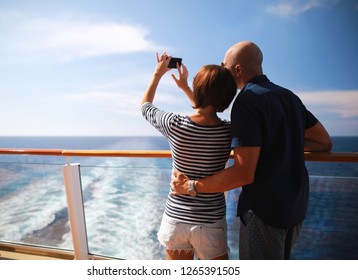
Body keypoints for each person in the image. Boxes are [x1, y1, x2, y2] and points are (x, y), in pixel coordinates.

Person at [170, 41, 333, 260]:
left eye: (223, 65)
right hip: (295, 207)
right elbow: (324, 142)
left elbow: (243, 173)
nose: (221, 70)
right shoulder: (289, 97)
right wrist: (281, 142)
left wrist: (191, 186)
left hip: (265, 212)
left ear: (237, 69)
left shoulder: (247, 101)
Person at [140, 52, 237, 260]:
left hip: (176, 218)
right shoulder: (229, 131)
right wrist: (186, 89)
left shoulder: (175, 124)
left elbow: (145, 106)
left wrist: (158, 74)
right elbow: (209, 110)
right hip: (210, 223)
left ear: (199, 89)